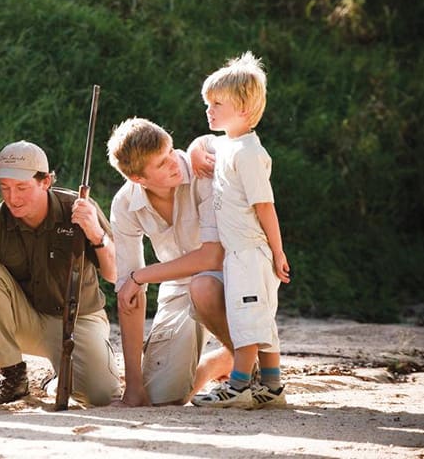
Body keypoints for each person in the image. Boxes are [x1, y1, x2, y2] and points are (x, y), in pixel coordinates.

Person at [0, 140, 121, 406]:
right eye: (5, 188)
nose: (12, 198)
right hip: (25, 323)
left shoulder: (77, 209)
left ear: (46, 182)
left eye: (21, 187)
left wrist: (96, 234)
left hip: (79, 321)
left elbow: (114, 275)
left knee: (100, 396)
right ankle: (13, 376)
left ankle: (58, 379)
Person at [107, 117, 233, 407]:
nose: (175, 161)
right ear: (138, 179)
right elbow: (128, 294)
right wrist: (134, 386)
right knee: (162, 397)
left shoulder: (200, 169)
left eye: (171, 151)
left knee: (203, 285)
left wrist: (200, 143)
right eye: (162, 163)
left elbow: (212, 256)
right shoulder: (125, 204)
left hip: (228, 276)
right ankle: (218, 364)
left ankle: (243, 357)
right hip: (178, 288)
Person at [191, 51, 291, 409]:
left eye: (218, 103)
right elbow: (203, 143)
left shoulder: (249, 152)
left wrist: (277, 253)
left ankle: (238, 387)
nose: (209, 109)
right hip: (238, 253)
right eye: (208, 102)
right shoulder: (227, 144)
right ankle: (272, 386)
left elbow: (265, 206)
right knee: (261, 318)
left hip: (251, 251)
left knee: (247, 319)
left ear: (245, 109)